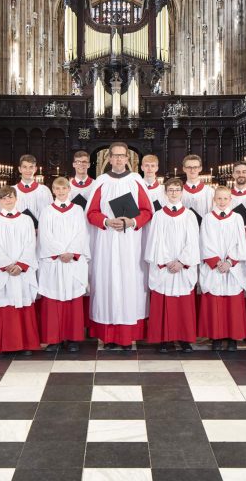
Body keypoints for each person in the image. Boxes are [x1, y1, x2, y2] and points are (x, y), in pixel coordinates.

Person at [86, 142, 154, 350]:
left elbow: (147, 211)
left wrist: (131, 222)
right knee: (107, 284)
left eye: (122, 156)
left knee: (129, 284)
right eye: (114, 156)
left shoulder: (136, 181)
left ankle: (127, 336)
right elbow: (91, 213)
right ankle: (109, 336)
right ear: (108, 158)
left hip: (130, 244)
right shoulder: (101, 182)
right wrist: (106, 221)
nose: (118, 159)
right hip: (106, 242)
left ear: (128, 158)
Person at [0, 186, 41, 357]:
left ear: (16, 198)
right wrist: (7, 265)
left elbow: (31, 243)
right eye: (3, 198)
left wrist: (21, 264)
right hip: (2, 271)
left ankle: (25, 343)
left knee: (22, 303)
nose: (7, 201)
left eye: (10, 197)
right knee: (0, 304)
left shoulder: (26, 220)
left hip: (21, 270)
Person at [144, 177, 200, 353]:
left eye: (177, 189)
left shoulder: (189, 215)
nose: (174, 193)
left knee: (183, 304)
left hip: (182, 267)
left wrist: (182, 261)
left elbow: (193, 241)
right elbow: (155, 242)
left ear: (182, 192)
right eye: (170, 190)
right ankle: (164, 339)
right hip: (165, 266)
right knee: (163, 302)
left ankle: (185, 339)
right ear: (165, 192)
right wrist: (168, 261)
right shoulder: (159, 216)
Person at [38, 177, 90, 352]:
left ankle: (73, 338)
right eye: (57, 189)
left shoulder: (77, 210)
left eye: (64, 189)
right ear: (53, 190)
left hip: (72, 261)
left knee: (73, 301)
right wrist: (60, 252)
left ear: (70, 190)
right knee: (53, 301)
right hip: (54, 261)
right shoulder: (46, 211)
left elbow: (81, 233)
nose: (61, 192)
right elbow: (44, 236)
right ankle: (54, 339)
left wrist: (71, 253)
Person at [198, 186, 246, 351]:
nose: (222, 202)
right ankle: (216, 337)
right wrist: (216, 262)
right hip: (215, 267)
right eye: (219, 198)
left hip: (232, 268)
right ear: (214, 200)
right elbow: (204, 242)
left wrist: (230, 262)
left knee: (232, 303)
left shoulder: (237, 218)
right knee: (215, 302)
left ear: (230, 200)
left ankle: (233, 338)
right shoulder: (207, 218)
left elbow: (241, 242)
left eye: (225, 198)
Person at [14, 154, 53, 223]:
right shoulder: (13, 191)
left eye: (31, 167)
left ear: (35, 169)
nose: (28, 170)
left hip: (39, 231)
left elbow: (50, 213)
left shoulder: (44, 190)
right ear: (20, 169)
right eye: (24, 167)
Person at [181, 154, 214, 222]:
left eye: (195, 167)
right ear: (184, 169)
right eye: (189, 167)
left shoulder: (209, 191)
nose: (192, 170)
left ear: (200, 168)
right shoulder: (179, 191)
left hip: (204, 228)